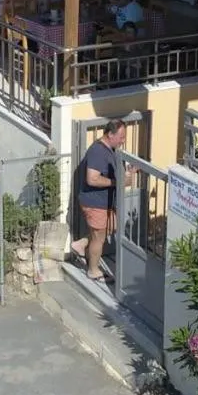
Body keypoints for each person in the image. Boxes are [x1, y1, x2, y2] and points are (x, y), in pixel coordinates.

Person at [71, 120, 129, 281]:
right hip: (95, 203)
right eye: (121, 136)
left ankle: (81, 244)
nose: (123, 140)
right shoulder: (98, 152)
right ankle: (93, 271)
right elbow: (92, 179)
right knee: (99, 238)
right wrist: (116, 183)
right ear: (110, 134)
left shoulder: (108, 149)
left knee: (110, 227)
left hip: (103, 203)